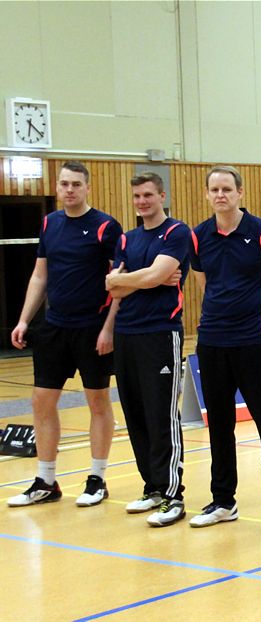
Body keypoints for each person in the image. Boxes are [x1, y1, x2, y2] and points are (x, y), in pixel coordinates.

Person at [8, 161, 122, 508]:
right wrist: (24, 320)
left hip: (92, 327)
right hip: (54, 327)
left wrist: (108, 328)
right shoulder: (50, 223)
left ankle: (97, 478)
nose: (69, 189)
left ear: (87, 188)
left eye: (75, 184)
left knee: (97, 402)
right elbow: (40, 276)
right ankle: (46, 480)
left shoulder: (105, 227)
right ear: (57, 188)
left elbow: (118, 282)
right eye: (63, 184)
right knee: (42, 401)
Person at [188, 165, 261, 534]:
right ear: (207, 194)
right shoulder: (199, 236)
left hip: (254, 342)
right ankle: (223, 500)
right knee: (220, 425)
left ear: (240, 192)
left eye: (227, 189)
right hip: (212, 343)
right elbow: (205, 284)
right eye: (214, 189)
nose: (221, 195)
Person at [105, 172, 190, 527]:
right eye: (137, 196)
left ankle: (172, 494)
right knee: (136, 413)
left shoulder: (176, 232)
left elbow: (156, 276)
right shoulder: (127, 238)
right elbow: (113, 288)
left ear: (162, 196)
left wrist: (132, 279)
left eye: (148, 195)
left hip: (160, 334)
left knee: (162, 414)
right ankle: (151, 487)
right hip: (127, 334)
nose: (142, 201)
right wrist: (141, 278)